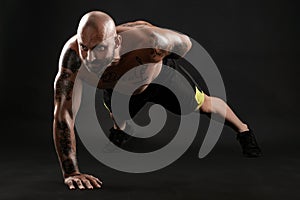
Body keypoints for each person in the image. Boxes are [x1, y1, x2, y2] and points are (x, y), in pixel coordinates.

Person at [53, 11, 262, 190]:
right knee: (118, 114)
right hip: (119, 92)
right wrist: (71, 172)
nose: (89, 58)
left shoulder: (149, 43)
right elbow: (65, 114)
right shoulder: (73, 58)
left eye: (99, 48)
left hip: (161, 81)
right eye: (84, 47)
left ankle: (243, 131)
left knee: (204, 105)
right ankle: (121, 129)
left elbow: (185, 44)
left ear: (116, 42)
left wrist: (159, 58)